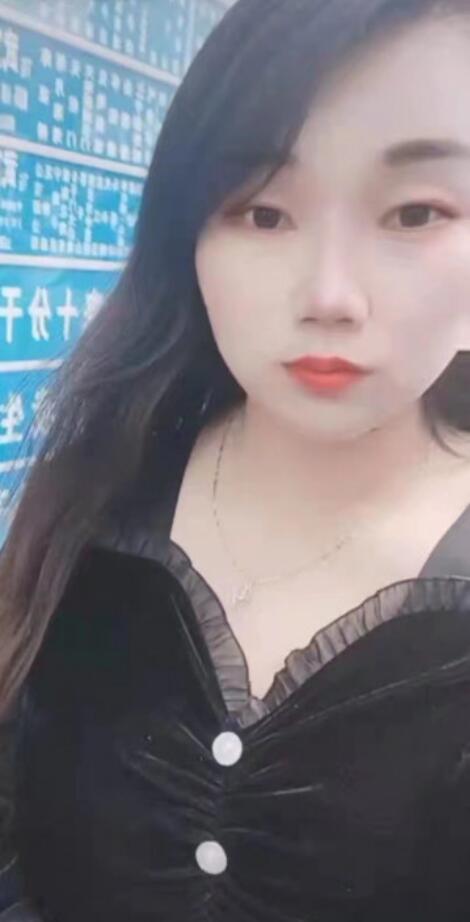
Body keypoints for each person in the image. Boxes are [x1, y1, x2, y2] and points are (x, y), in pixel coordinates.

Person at [2, 0, 470, 917]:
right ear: (188, 233)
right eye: (263, 211)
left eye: (415, 212)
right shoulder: (97, 491)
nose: (330, 295)